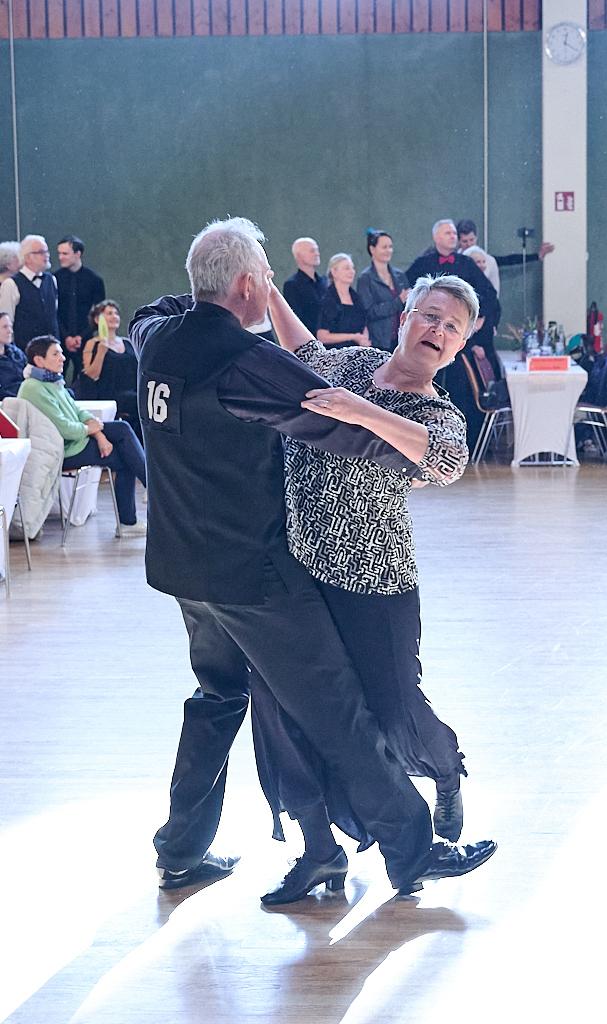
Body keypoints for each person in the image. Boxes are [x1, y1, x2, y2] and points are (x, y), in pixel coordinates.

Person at [129, 216, 496, 903]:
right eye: (264, 276)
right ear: (247, 285)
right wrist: (389, 437)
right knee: (333, 714)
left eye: (451, 325)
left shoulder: (155, 338)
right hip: (254, 575)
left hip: (185, 568)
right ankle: (407, 853)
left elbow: (158, 309)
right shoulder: (248, 363)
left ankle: (180, 850)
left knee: (223, 699)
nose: (435, 329)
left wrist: (211, 290)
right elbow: (328, 420)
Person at [251, 275, 478, 903]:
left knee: (396, 713)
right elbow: (302, 355)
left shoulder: (436, 411)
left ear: (459, 347)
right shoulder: (354, 362)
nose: (437, 332)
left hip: (377, 586)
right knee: (294, 711)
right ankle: (316, 848)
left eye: (451, 327)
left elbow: (444, 460)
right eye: (430, 317)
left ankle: (446, 775)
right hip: (303, 575)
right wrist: (269, 290)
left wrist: (361, 412)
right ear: (405, 317)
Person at [17, 335, 146, 533]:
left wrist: (99, 434)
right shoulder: (33, 388)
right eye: (56, 354)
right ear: (39, 360)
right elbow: (65, 428)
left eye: (61, 353)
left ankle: (145, 498)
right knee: (125, 457)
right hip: (63, 449)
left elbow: (78, 412)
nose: (62, 358)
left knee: (122, 430)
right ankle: (143, 504)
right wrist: (90, 430)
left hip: (78, 438)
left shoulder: (52, 380)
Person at [78, 300, 141, 441]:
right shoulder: (92, 344)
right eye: (109, 313)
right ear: (97, 319)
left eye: (116, 313)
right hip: (110, 395)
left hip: (132, 392)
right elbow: (91, 375)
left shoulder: (128, 343)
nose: (114, 316)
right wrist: (101, 351)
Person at [55, 235, 106, 385]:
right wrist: (66, 336)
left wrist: (82, 336)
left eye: (65, 253)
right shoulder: (54, 279)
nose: (60, 257)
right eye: (59, 253)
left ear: (78, 254)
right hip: (60, 338)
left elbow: (99, 313)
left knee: (85, 381)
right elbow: (53, 311)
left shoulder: (94, 280)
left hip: (85, 339)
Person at [456, 218, 555, 294]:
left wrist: (537, 256)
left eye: (472, 240)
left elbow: (507, 260)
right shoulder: (455, 258)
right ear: (458, 241)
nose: (469, 244)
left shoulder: (486, 259)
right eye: (465, 241)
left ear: (476, 238)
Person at [0, 235, 59, 351]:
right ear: (27, 257)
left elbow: (53, 313)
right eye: (41, 252)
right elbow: (7, 321)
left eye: (47, 251)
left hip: (51, 350)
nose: (46, 255)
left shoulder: (51, 280)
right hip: (25, 350)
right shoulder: (11, 284)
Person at [356, 229, 410, 351]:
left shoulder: (399, 275)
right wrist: (398, 301)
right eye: (384, 247)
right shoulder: (366, 278)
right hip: (379, 341)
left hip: (401, 339)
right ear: (372, 249)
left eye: (390, 247)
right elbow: (370, 312)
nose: (388, 250)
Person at [462, 245, 502, 379]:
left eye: (483, 261)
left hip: (487, 338)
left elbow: (496, 308)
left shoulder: (487, 285)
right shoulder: (466, 287)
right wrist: (473, 346)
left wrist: (491, 323)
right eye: (477, 262)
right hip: (474, 343)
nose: (481, 265)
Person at [317, 253, 369, 348]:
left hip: (357, 353)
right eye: (347, 268)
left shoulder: (357, 298)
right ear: (334, 272)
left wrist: (364, 339)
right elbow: (322, 336)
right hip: (335, 355)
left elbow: (364, 324)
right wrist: (353, 337)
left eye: (352, 268)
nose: (352, 271)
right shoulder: (327, 300)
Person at [282, 237, 328, 333]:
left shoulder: (324, 281)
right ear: (299, 256)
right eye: (312, 251)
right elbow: (296, 319)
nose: (317, 254)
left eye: (317, 250)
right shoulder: (292, 285)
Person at [0, 311, 27, 399]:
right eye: (5, 327)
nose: (10, 331)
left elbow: (30, 373)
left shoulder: (16, 352)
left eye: (10, 326)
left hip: (26, 396)